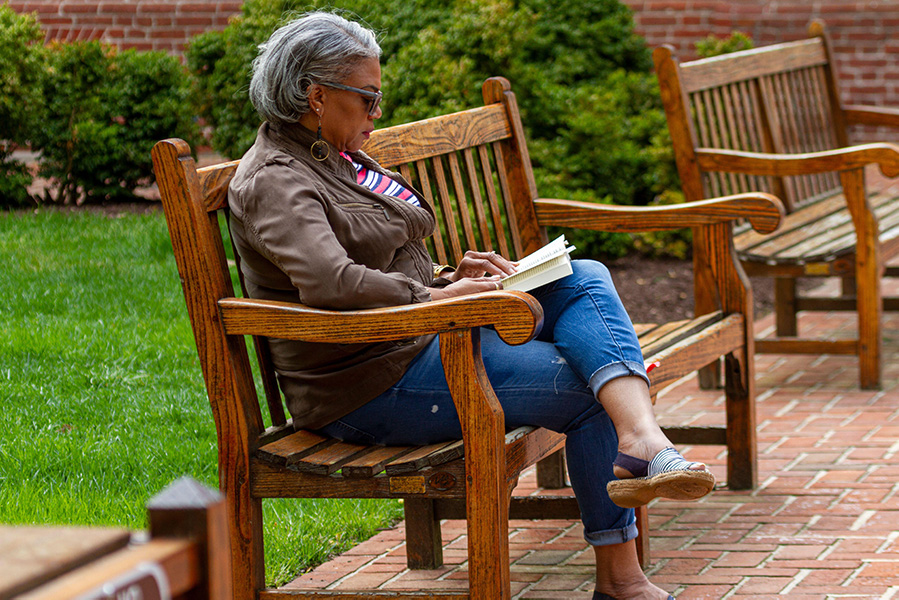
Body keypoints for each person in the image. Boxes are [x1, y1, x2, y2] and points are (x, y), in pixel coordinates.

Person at [227, 11, 714, 600]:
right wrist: (435, 295)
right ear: (316, 94)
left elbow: (379, 257)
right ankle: (622, 579)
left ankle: (646, 443)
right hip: (365, 383)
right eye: (369, 99)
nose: (377, 114)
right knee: (590, 392)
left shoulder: (334, 153)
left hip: (420, 338)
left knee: (583, 275)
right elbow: (332, 282)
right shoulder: (277, 179)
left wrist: (448, 273)